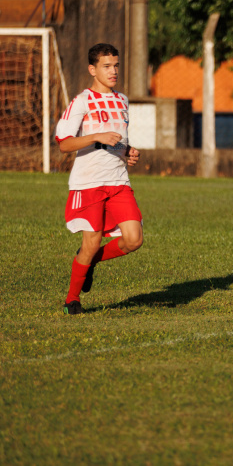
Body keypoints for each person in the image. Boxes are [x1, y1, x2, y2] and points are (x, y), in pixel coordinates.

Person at [55, 43, 143, 315]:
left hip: (118, 182)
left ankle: (91, 263)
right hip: (88, 183)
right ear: (92, 69)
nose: (113, 71)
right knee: (90, 243)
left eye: (116, 65)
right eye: (106, 66)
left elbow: (116, 139)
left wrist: (127, 151)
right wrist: (96, 136)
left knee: (134, 239)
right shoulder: (81, 101)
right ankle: (72, 299)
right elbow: (64, 144)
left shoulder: (122, 100)